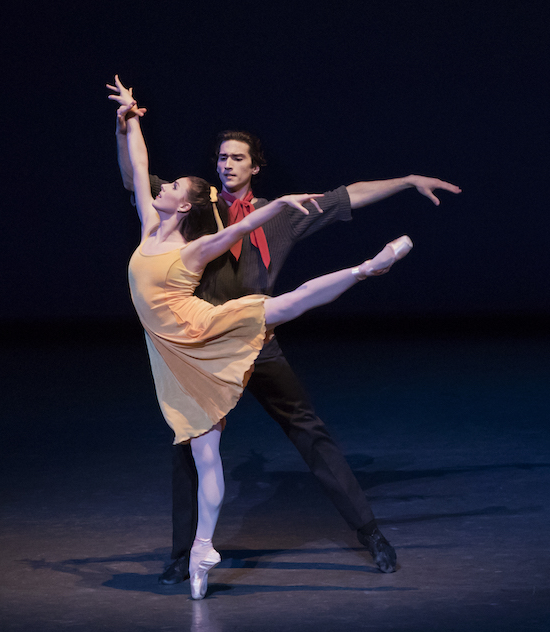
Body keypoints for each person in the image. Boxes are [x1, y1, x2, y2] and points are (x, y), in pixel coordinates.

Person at [112, 77, 461, 585]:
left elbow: (347, 197)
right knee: (189, 445)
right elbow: (135, 178)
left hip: (257, 341)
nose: (226, 164)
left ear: (256, 167)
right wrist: (125, 127)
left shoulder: (284, 213)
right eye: (221, 157)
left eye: (237, 158)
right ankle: (180, 553)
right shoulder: (193, 211)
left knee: (308, 430)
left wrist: (406, 180)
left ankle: (370, 533)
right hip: (202, 349)